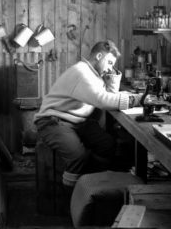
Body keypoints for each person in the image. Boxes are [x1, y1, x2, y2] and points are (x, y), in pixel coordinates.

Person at [34, 40, 141, 188]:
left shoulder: (94, 74)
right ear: (98, 56)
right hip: (53, 121)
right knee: (77, 156)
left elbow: (109, 95)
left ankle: (91, 182)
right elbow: (103, 101)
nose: (110, 68)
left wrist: (112, 76)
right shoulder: (81, 72)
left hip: (77, 122)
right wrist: (138, 99)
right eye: (109, 62)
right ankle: (73, 196)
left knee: (107, 144)